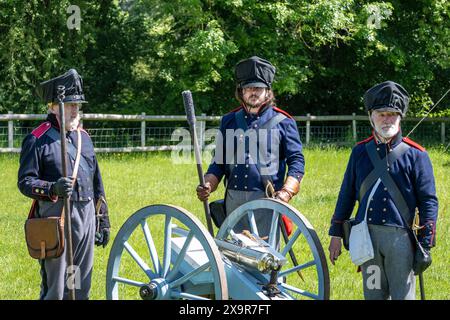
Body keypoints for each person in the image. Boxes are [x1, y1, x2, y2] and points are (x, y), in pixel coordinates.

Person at [327, 80, 438, 300]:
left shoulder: (416, 155)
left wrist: (425, 244)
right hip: (367, 240)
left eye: (392, 114)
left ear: (400, 117)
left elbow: (429, 201)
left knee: (402, 296)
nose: (387, 119)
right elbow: (346, 195)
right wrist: (335, 234)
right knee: (374, 294)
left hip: (401, 241)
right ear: (371, 116)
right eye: (381, 114)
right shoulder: (359, 152)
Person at [18, 69, 111, 300]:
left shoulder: (84, 138)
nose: (75, 109)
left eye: (77, 105)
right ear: (53, 107)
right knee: (56, 287)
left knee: (79, 282)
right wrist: (52, 189)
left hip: (86, 215)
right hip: (56, 215)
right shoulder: (37, 139)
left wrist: (103, 220)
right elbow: (25, 182)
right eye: (70, 104)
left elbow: (96, 182)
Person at [196, 56, 305, 237]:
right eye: (248, 88)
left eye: (258, 88)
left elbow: (297, 161)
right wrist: (208, 184)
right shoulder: (229, 121)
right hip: (233, 199)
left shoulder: (283, 121)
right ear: (241, 91)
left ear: (267, 91)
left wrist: (286, 192)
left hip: (266, 199)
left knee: (265, 259)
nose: (253, 92)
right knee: (232, 256)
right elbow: (219, 161)